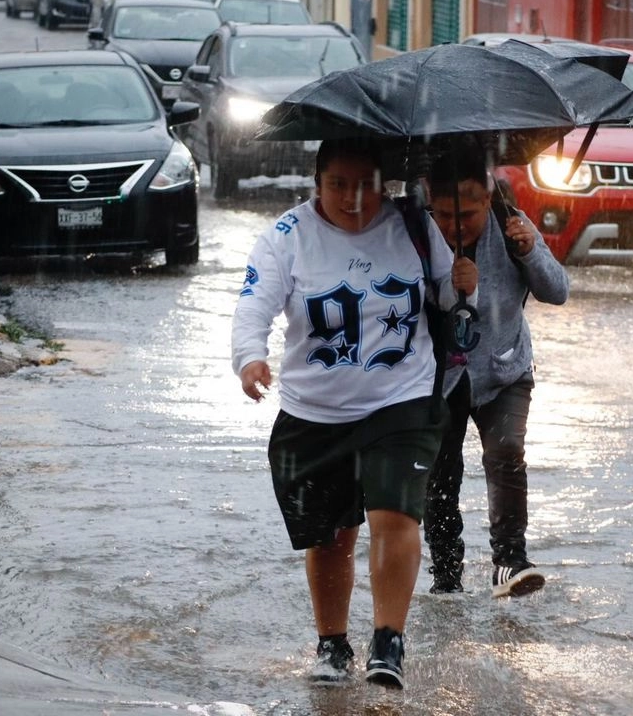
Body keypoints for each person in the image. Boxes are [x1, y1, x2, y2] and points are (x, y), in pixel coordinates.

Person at [232, 138, 478, 689]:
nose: (351, 198)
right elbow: (254, 304)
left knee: (396, 515)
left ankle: (388, 640)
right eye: (337, 185)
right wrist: (250, 359)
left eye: (364, 185)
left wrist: (463, 284)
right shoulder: (285, 238)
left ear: (383, 183)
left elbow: (449, 299)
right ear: (316, 184)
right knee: (331, 536)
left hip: (401, 399)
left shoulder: (411, 225)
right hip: (313, 411)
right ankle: (332, 644)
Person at [422, 146, 570, 599]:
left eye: (467, 213)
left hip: (504, 367)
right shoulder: (416, 232)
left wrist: (530, 252)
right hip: (437, 375)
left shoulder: (511, 227)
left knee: (506, 452)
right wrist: (447, 284)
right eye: (444, 214)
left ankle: (509, 561)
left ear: (487, 199)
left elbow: (558, 290)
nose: (455, 226)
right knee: (439, 473)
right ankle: (446, 576)